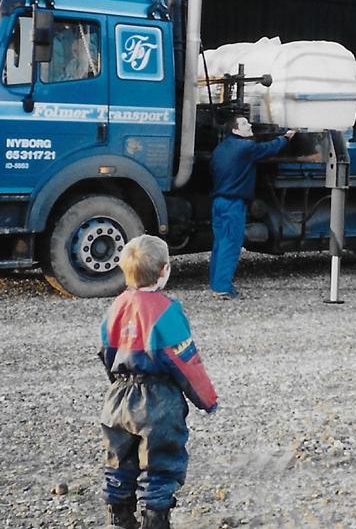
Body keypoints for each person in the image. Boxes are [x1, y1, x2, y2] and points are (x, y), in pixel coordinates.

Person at [98, 235, 218, 529]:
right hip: (157, 398)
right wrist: (207, 399)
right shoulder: (167, 311)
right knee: (159, 465)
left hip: (118, 398)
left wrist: (117, 381)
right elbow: (186, 362)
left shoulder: (116, 306)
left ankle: (120, 519)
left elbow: (106, 352)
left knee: (119, 461)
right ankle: (155, 520)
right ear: (164, 270)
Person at [208, 117, 295, 298]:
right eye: (245, 124)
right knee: (231, 244)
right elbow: (268, 149)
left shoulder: (220, 149)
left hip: (218, 201)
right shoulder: (245, 148)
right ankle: (223, 287)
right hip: (233, 203)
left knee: (220, 243)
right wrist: (285, 138)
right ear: (235, 130)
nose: (250, 126)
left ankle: (216, 284)